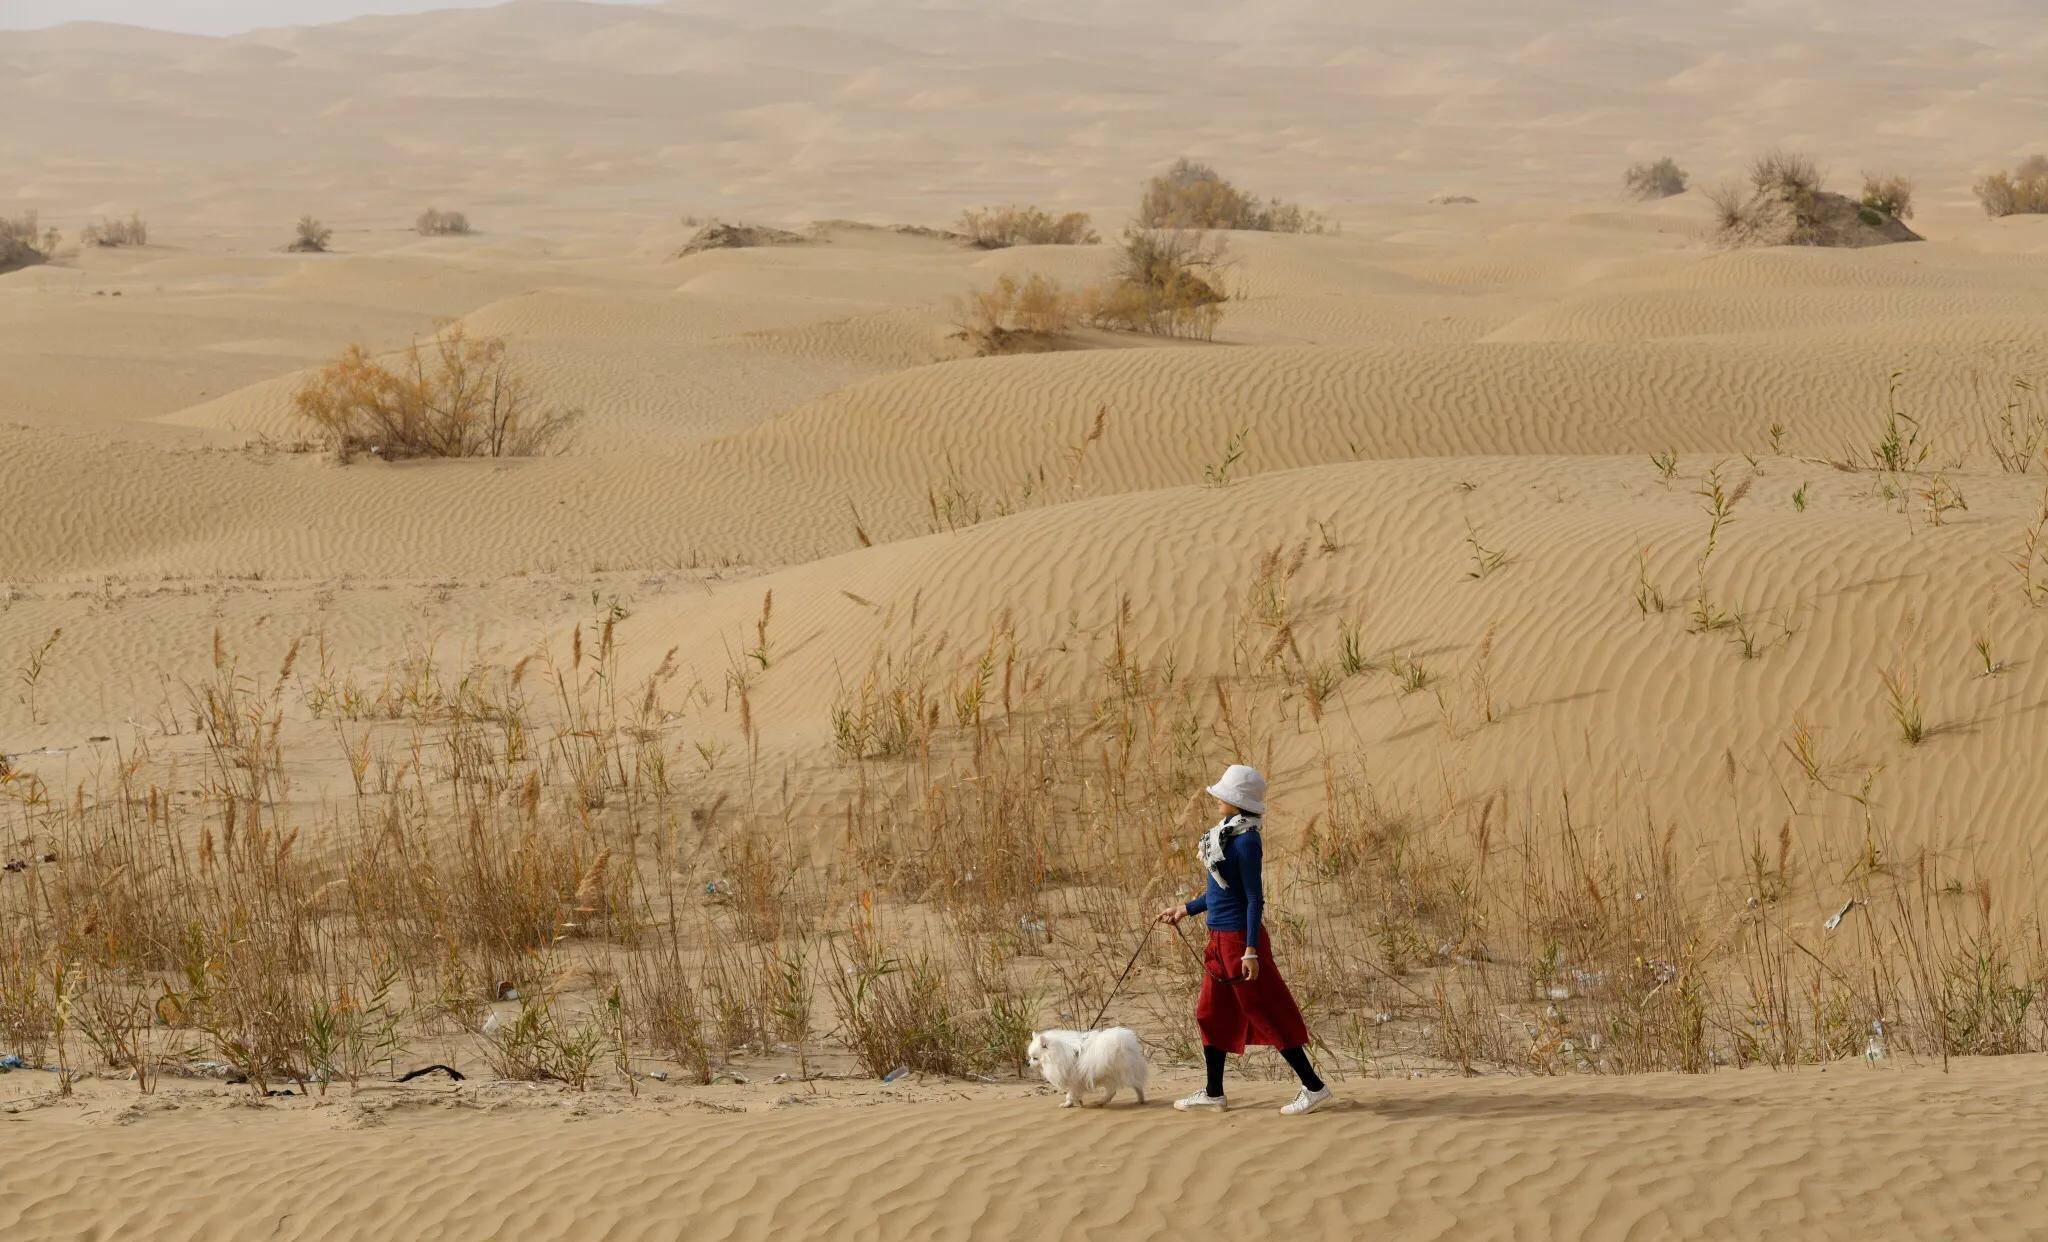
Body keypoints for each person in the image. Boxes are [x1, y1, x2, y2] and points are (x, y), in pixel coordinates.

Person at [1157, 764, 1332, 1115]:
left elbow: (1253, 898)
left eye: (1224, 793)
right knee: (1210, 1011)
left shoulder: (1247, 841)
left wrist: (1250, 949)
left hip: (1239, 942)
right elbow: (1222, 893)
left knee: (1264, 1010)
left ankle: (1314, 1087)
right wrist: (1185, 909)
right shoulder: (1226, 834)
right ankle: (1213, 1092)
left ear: (1237, 801)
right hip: (1218, 939)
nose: (1217, 797)